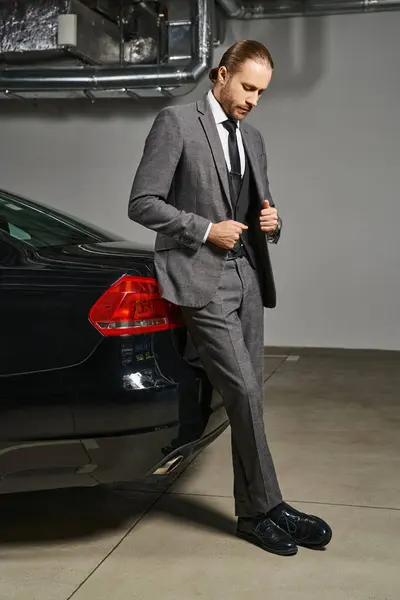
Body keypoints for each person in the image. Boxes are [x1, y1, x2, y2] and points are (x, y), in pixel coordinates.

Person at [128, 39, 332, 557]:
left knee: (252, 396)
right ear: (220, 75)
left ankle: (254, 513)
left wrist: (274, 222)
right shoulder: (176, 123)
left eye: (262, 91)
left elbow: (255, 206)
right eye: (247, 87)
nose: (254, 99)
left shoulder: (254, 138)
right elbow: (142, 203)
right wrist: (203, 229)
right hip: (200, 278)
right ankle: (271, 506)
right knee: (242, 392)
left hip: (247, 277)